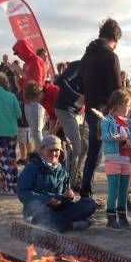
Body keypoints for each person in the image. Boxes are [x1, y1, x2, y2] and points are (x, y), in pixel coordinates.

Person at [79, 18, 123, 199]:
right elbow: (117, 90)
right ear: (116, 38)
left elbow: (81, 83)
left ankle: (85, 190)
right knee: (114, 153)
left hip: (90, 109)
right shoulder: (110, 56)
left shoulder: (87, 55)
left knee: (93, 152)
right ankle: (87, 191)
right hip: (106, 111)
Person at [18, 135, 96, 232]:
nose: (54, 153)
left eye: (57, 150)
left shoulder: (62, 170)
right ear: (42, 150)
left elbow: (64, 196)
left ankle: (60, 224)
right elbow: (23, 194)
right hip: (40, 210)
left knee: (89, 203)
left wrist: (69, 196)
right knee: (40, 211)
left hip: (59, 210)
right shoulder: (31, 168)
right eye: (50, 150)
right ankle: (72, 225)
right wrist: (47, 200)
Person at [100, 89, 131, 230]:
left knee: (124, 190)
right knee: (114, 190)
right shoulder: (108, 120)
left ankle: (123, 218)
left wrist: (130, 140)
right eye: (126, 105)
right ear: (117, 104)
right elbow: (104, 136)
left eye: (129, 106)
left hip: (126, 160)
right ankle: (111, 219)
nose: (128, 109)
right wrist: (114, 137)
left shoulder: (128, 122)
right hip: (113, 160)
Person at [54, 59, 86, 190]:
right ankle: (69, 182)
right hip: (65, 109)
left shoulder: (95, 71)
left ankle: (74, 177)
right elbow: (60, 81)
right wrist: (77, 96)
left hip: (79, 112)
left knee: (84, 146)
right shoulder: (79, 65)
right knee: (77, 147)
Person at [24, 81, 45, 153]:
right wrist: (43, 150)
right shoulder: (37, 107)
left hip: (33, 136)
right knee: (37, 133)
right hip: (39, 142)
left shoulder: (27, 105)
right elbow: (38, 131)